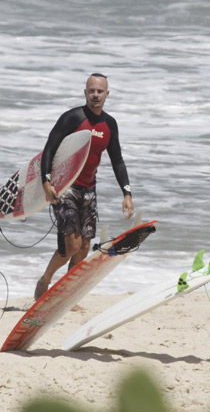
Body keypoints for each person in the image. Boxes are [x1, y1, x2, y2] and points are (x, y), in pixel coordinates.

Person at [34, 73, 134, 300]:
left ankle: (67, 296)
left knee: (85, 246)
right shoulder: (72, 118)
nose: (95, 95)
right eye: (91, 91)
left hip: (89, 189)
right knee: (71, 245)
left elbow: (117, 160)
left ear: (107, 94)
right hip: (65, 187)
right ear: (85, 92)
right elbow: (49, 148)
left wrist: (127, 193)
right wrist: (46, 181)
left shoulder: (110, 124)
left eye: (100, 91)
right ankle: (46, 279)